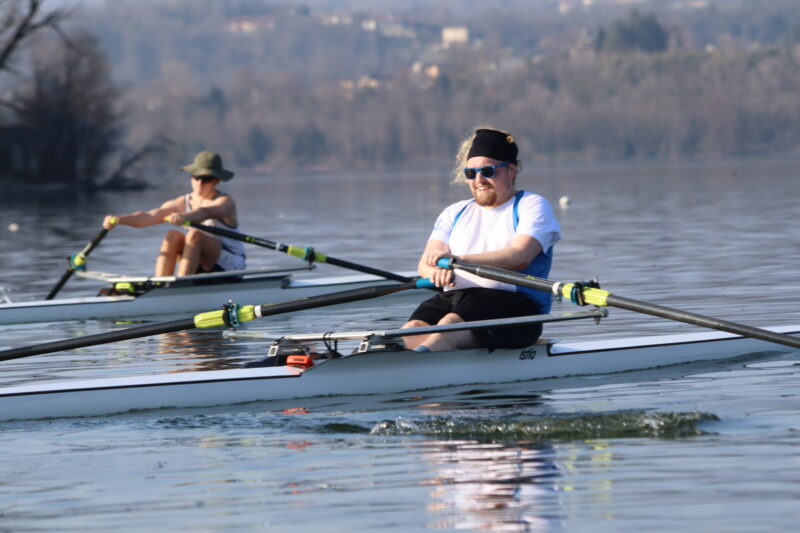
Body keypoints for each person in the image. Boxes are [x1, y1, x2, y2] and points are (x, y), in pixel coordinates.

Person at [402, 128, 561, 352]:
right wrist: (435, 271)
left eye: (487, 171)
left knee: (449, 325)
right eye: (471, 173)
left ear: (511, 170)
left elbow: (520, 256)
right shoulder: (454, 212)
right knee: (413, 328)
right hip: (457, 298)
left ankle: (421, 360)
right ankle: (393, 360)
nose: (479, 180)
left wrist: (458, 261)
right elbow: (425, 264)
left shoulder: (531, 205)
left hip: (516, 307)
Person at [102, 151, 246, 276]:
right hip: (201, 261)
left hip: (231, 265)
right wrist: (120, 219)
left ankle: (182, 285)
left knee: (194, 235)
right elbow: (149, 217)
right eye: (196, 177)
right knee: (172, 235)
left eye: (206, 179)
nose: (200, 183)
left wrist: (184, 217)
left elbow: (204, 213)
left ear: (217, 181)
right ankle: (161, 284)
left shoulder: (225, 202)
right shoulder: (181, 202)